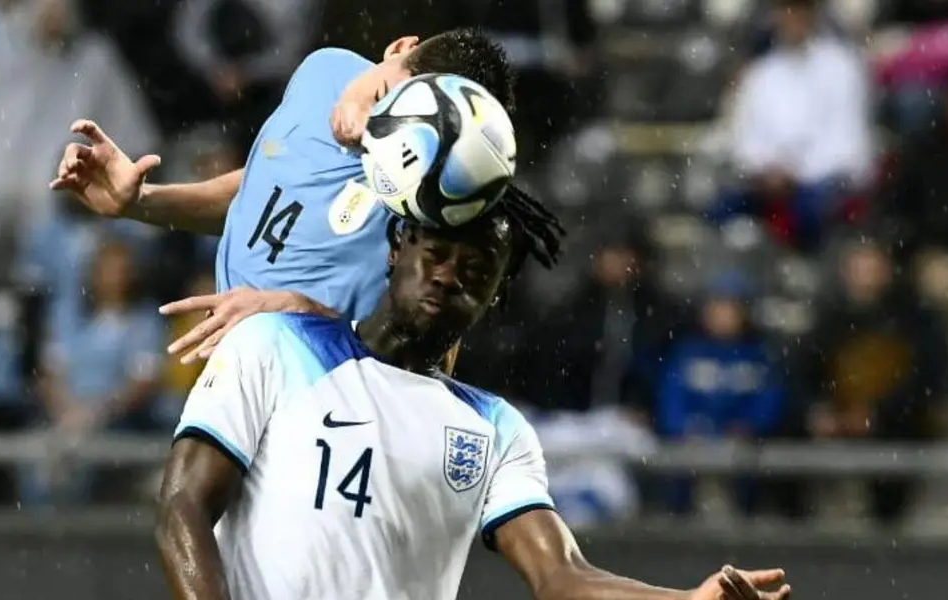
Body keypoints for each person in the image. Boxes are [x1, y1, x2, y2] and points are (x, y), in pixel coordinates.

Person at [154, 197, 791, 599]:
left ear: (493, 299)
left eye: (477, 270)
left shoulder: (495, 428)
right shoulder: (274, 343)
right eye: (436, 251)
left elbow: (562, 576)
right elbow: (183, 504)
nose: (449, 274)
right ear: (397, 245)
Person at [50, 28, 520, 364]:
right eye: (379, 98)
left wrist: (293, 314)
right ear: (399, 48)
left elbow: (423, 363)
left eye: (398, 137)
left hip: (327, 414)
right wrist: (141, 203)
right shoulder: (323, 69)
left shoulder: (435, 211)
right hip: (234, 369)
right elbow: (265, 185)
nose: (362, 129)